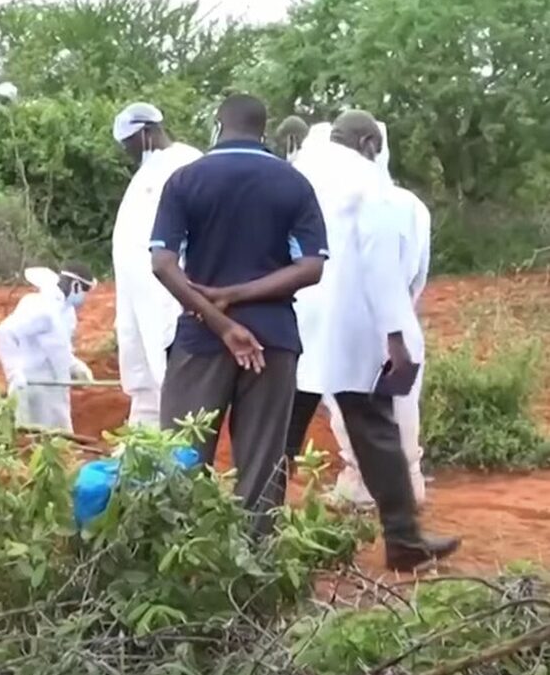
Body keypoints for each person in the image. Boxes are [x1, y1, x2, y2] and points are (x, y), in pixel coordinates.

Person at [149, 93, 327, 538]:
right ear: (263, 131)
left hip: (200, 338)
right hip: (273, 340)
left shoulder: (185, 180)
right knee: (262, 463)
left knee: (181, 457)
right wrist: (240, 298)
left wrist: (221, 320)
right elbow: (311, 267)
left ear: (218, 124)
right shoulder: (294, 183)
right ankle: (253, 574)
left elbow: (162, 264)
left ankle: (182, 565)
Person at [287, 110, 458, 570]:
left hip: (295, 322)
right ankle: (403, 541)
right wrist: (396, 335)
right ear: (368, 144)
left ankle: (253, 535)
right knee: (378, 429)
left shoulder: (299, 174)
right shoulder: (371, 185)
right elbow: (381, 267)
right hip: (351, 328)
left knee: (277, 434)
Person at [323, 121, 433, 506]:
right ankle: (407, 489)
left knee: (354, 413)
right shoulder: (411, 205)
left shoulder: (338, 200)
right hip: (400, 322)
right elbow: (418, 274)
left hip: (353, 329)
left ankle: (365, 487)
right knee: (398, 409)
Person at [110, 102, 203, 428]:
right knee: (142, 374)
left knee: (169, 374)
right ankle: (142, 443)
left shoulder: (187, 162)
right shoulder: (148, 171)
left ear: (147, 133)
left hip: (167, 290)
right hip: (138, 294)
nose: (127, 151)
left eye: (129, 143)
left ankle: (175, 458)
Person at [0, 263, 97, 433]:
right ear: (76, 286)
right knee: (33, 442)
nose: (84, 298)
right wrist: (13, 373)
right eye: (85, 291)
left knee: (60, 441)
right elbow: (4, 333)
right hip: (32, 388)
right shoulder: (41, 309)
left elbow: (56, 348)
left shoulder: (66, 312)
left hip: (55, 390)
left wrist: (74, 366)